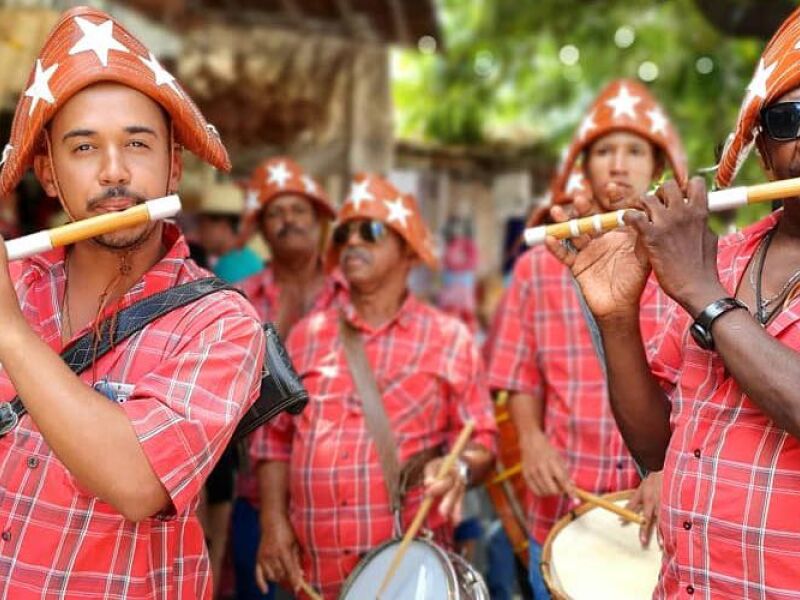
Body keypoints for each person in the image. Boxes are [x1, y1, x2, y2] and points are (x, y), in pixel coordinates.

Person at [0, 6, 265, 600]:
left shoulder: (220, 322)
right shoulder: (18, 287)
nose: (115, 173)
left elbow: (138, 480)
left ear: (173, 164)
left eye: (137, 145)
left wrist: (9, 332)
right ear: (48, 173)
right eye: (85, 148)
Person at [547, 8, 800, 597]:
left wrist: (702, 292)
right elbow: (659, 449)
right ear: (762, 152)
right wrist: (615, 318)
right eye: (792, 118)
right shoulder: (724, 256)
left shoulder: (699, 271)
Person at [486, 79, 687, 598]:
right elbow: (517, 377)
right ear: (585, 163)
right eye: (604, 151)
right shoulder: (535, 268)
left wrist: (669, 468)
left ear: (659, 165)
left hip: (667, 524)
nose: (619, 164)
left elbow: (706, 395)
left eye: (635, 151)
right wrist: (531, 440)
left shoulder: (689, 267)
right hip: (564, 512)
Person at [253, 174, 497, 598]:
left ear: (408, 251)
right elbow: (274, 442)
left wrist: (458, 468)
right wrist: (273, 523)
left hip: (408, 578)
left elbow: (483, 442)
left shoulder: (449, 338)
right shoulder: (306, 335)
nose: (353, 242)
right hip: (311, 576)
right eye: (345, 233)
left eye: (373, 231)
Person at [236, 157, 342, 600]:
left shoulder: (353, 292)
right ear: (261, 229)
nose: (288, 222)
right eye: (275, 214)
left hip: (337, 495)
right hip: (252, 490)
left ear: (319, 219)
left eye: (298, 210)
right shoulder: (240, 300)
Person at [195, 181, 263, 284]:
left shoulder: (229, 267)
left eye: (203, 225)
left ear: (223, 226)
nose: (199, 232)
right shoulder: (247, 258)